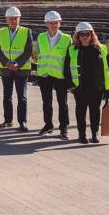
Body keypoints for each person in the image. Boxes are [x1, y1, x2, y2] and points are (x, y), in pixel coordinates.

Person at [65, 22, 109, 144]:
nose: (85, 37)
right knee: (81, 112)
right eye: (82, 34)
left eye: (87, 34)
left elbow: (108, 69)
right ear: (77, 36)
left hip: (96, 87)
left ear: (92, 35)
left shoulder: (101, 49)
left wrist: (108, 86)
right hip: (79, 87)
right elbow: (66, 69)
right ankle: (82, 135)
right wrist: (70, 85)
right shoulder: (72, 49)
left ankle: (95, 134)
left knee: (95, 111)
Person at [0, 6, 33, 131]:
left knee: (22, 97)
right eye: (10, 18)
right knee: (7, 96)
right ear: (6, 19)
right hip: (6, 69)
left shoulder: (26, 31)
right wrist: (6, 63)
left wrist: (17, 64)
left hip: (21, 70)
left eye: (15, 18)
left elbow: (28, 51)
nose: (13, 20)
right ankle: (8, 120)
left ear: (19, 18)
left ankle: (22, 122)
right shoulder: (0, 32)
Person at [36, 11, 72, 139]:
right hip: (44, 74)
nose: (53, 25)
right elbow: (40, 53)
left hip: (60, 75)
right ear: (46, 24)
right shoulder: (40, 37)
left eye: (56, 22)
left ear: (59, 23)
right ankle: (48, 125)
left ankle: (64, 128)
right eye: (51, 23)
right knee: (46, 102)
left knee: (63, 103)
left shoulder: (67, 39)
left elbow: (70, 59)